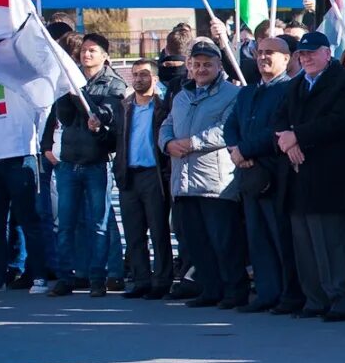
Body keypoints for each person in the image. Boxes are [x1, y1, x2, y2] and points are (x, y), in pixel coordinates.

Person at [274, 30, 345, 322]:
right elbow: (280, 120)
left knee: (332, 241)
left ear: (327, 53)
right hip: (298, 173)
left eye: (312, 53)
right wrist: (287, 143)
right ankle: (314, 298)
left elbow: (341, 121)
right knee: (304, 243)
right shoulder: (296, 84)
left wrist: (297, 137)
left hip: (329, 174)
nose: (306, 58)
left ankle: (340, 299)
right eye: (302, 54)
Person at [159, 39, 245, 309]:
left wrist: (193, 143)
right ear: (188, 66)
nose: (201, 69)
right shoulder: (181, 96)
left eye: (207, 64)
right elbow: (167, 124)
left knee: (224, 241)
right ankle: (210, 289)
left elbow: (227, 128)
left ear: (219, 65)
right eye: (196, 64)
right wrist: (167, 143)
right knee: (196, 242)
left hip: (215, 183)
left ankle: (234, 290)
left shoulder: (232, 94)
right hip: (183, 181)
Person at [44, 33, 127, 296]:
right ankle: (66, 278)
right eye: (84, 50)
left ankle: (97, 279)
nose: (86, 54)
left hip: (96, 163)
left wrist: (80, 96)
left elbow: (103, 115)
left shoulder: (114, 83)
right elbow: (66, 118)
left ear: (104, 55)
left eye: (93, 50)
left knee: (99, 224)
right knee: (65, 224)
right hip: (69, 163)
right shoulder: (71, 76)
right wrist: (68, 95)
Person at [224, 36, 301, 314]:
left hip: (276, 171)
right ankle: (267, 293)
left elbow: (277, 130)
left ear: (287, 58)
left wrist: (244, 150)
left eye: (271, 53)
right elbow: (230, 125)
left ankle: (289, 294)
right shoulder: (247, 92)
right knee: (257, 235)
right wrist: (235, 150)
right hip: (248, 173)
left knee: (280, 235)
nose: (264, 57)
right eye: (260, 52)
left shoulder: (290, 89)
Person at [0, 82, 58, 296]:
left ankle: (38, 276)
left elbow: (44, 112)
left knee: (29, 220)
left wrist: (43, 148)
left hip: (20, 156)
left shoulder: (25, 79)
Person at [113, 58, 172, 298]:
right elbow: (114, 139)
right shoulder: (124, 107)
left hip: (154, 174)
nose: (138, 79)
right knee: (134, 233)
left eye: (144, 74)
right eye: (135, 75)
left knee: (159, 231)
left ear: (155, 79)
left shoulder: (162, 107)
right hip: (129, 175)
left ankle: (162, 281)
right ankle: (141, 281)